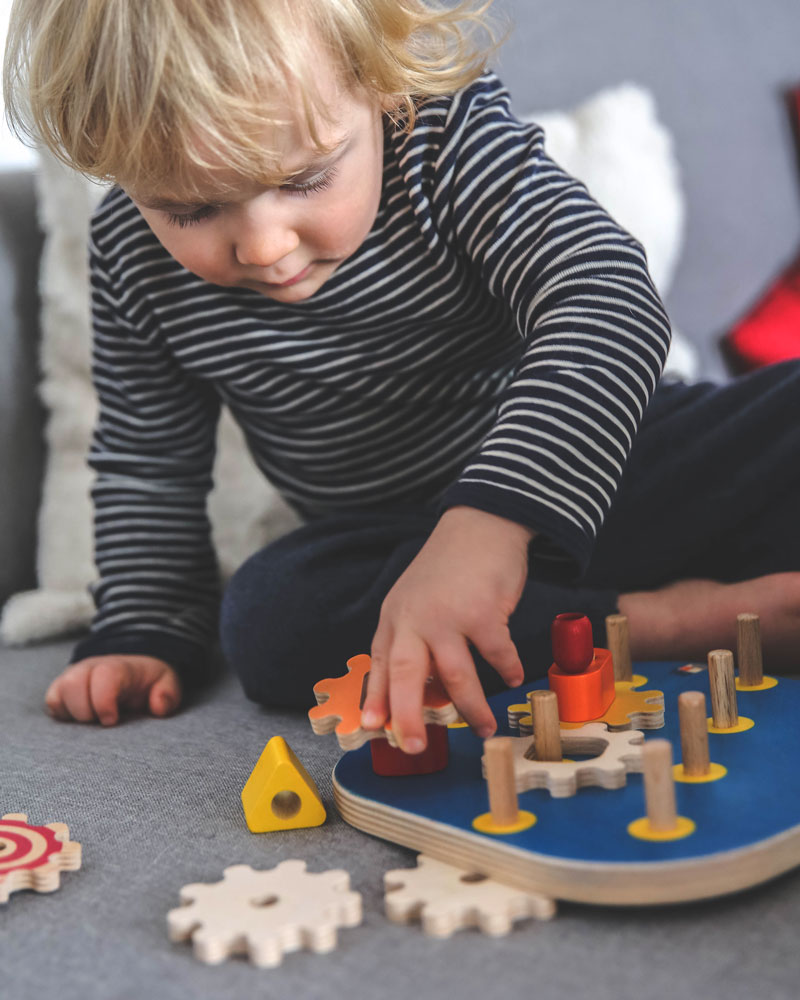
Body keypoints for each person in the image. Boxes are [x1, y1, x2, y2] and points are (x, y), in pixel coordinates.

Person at [5, 0, 800, 752]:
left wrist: (489, 522)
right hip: (398, 549)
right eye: (190, 210)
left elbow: (602, 293)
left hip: (614, 470)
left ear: (377, 83)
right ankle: (672, 622)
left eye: (305, 180)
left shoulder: (440, 136)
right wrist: (145, 630)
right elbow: (149, 460)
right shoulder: (131, 254)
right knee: (271, 619)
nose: (264, 246)